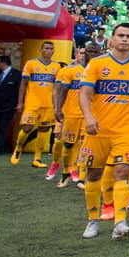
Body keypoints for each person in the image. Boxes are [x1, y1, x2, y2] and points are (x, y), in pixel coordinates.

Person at [78, 23, 129, 240]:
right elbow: (84, 93)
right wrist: (89, 117)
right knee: (94, 174)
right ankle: (93, 219)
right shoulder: (97, 63)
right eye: (120, 35)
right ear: (112, 38)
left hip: (126, 129)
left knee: (122, 172)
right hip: (98, 130)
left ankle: (120, 222)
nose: (124, 39)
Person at [50, 44, 98, 188]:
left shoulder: (102, 70)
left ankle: (82, 178)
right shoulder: (71, 70)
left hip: (90, 115)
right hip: (71, 114)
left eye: (96, 52)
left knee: (86, 145)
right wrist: (58, 109)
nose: (92, 54)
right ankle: (65, 173)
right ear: (84, 53)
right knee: (68, 144)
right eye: (89, 52)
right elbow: (63, 90)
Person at [11, 41, 60, 168]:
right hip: (32, 103)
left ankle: (37, 159)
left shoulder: (56, 66)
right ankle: (18, 147)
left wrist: (57, 105)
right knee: (27, 127)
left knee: (44, 129)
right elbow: (23, 84)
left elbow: (56, 88)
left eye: (51, 49)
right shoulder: (31, 63)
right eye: (46, 48)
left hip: (48, 104)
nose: (49, 51)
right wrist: (20, 102)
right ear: (41, 50)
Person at [0, 55, 20, 155]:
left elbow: (19, 90)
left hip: (9, 106)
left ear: (3, 63)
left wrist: (19, 103)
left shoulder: (16, 74)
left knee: (4, 127)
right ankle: (3, 146)